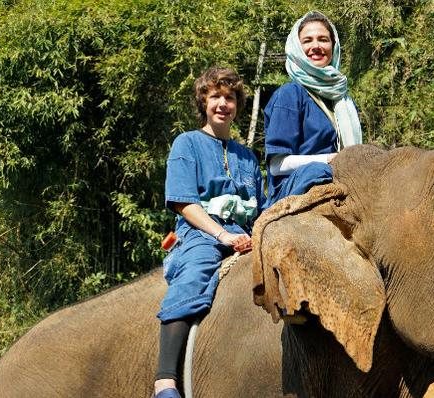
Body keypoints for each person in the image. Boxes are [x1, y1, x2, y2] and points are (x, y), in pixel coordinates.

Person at [153, 67, 264, 398]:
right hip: (200, 234)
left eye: (229, 97)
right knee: (197, 269)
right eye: (215, 96)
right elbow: (184, 203)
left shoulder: (247, 156)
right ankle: (165, 381)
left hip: (244, 235)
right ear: (203, 102)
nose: (222, 104)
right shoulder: (187, 143)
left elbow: (258, 209)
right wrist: (222, 236)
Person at [263, 11, 362, 207]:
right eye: (307, 40)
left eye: (323, 39)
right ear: (297, 48)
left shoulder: (343, 99)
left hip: (340, 181)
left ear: (333, 47)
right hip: (297, 189)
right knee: (319, 172)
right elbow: (276, 166)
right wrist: (331, 160)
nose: (315, 46)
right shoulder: (290, 94)